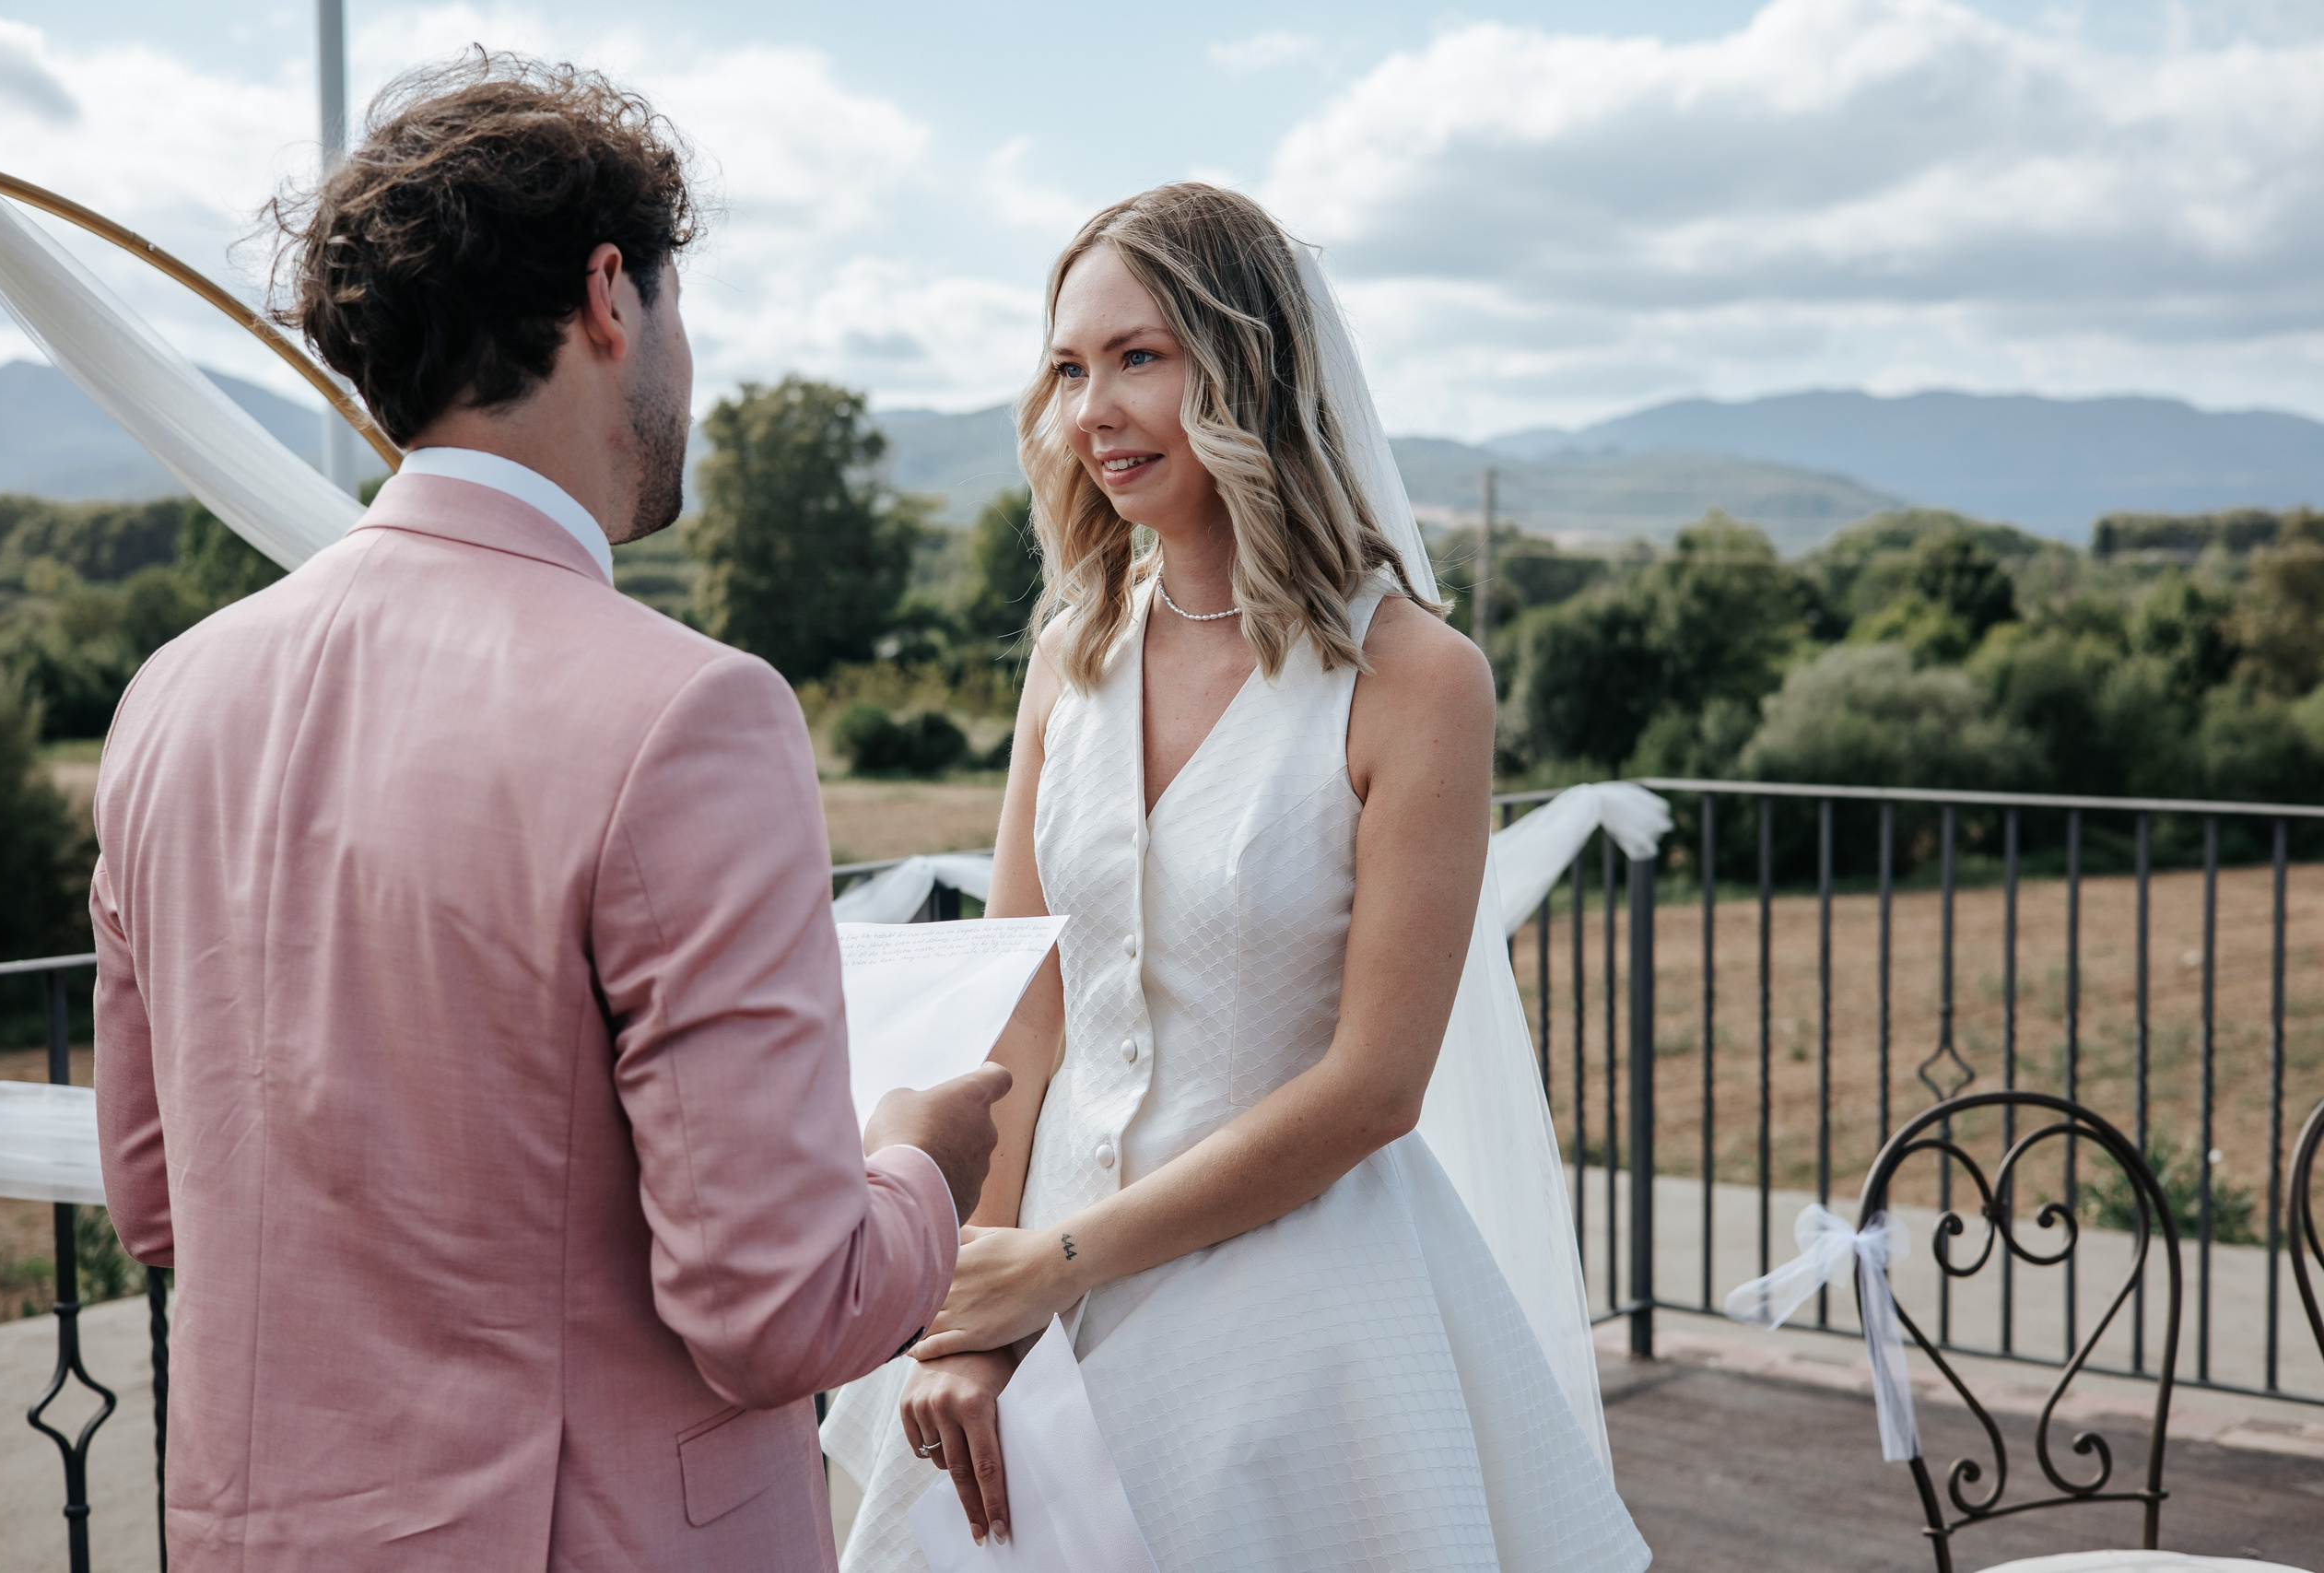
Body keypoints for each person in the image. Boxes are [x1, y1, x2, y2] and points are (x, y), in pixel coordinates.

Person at [88, 56, 1007, 1571]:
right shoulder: (689, 714)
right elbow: (779, 1310)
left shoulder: (169, 700)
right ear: (608, 298)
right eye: (678, 306)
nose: (686, 364)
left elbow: (159, 1199)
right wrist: (917, 1169)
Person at [820, 183, 1650, 1572]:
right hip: (1040, 1296)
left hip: (1296, 1320)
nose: (1092, 410)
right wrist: (976, 1311)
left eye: (1140, 357)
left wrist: (1060, 1266)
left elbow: (1376, 1086)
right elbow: (1020, 1010)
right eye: (1070, 369)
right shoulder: (1067, 660)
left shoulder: (1416, 682)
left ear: (1249, 366)